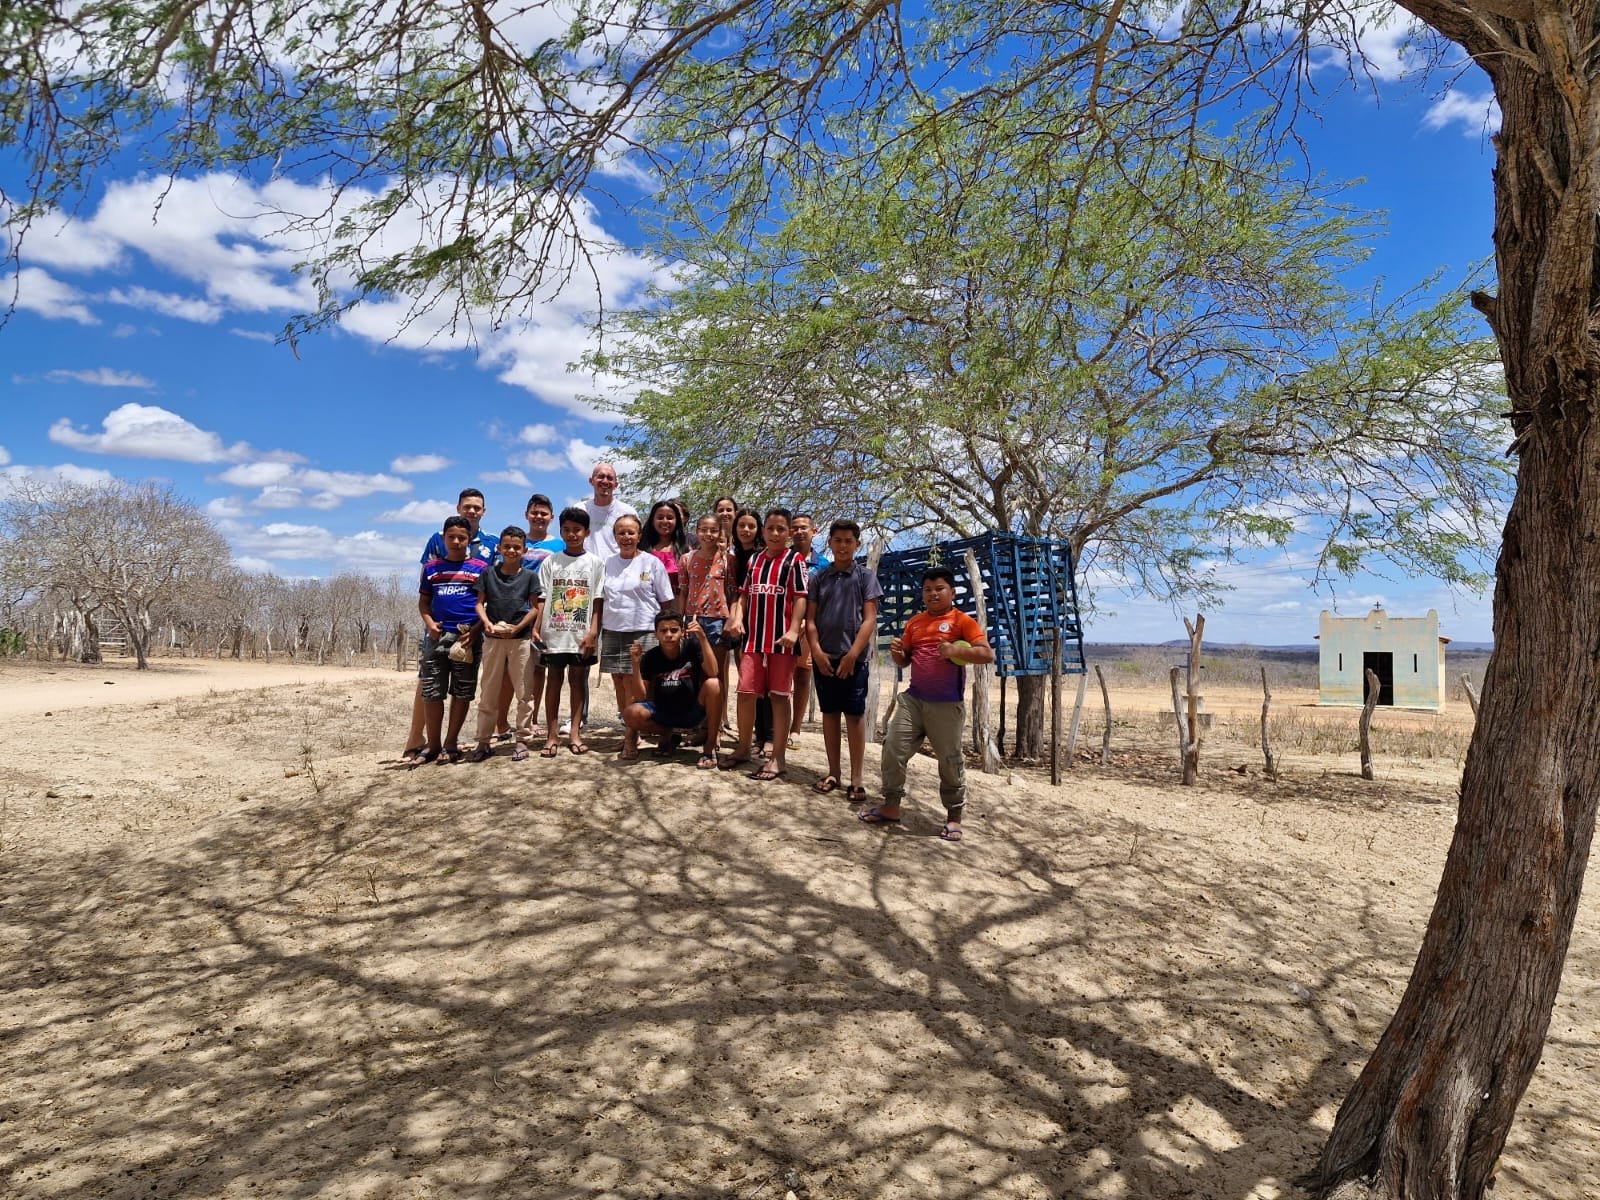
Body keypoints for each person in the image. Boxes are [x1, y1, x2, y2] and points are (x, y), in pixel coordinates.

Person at [860, 566, 994, 842]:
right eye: (928, 590)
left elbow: (986, 654)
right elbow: (905, 661)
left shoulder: (962, 622)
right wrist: (898, 654)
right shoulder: (915, 623)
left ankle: (954, 817)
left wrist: (955, 650)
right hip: (913, 700)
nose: (933, 594)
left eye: (939, 589)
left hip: (946, 705)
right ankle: (891, 805)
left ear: (952, 592)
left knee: (949, 760)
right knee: (893, 748)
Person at [402, 488, 498, 759]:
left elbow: (486, 601)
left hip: (467, 635)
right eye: (451, 537)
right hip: (436, 634)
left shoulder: (481, 566)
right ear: (442, 539)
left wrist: (476, 630)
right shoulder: (433, 567)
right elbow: (423, 600)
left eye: (462, 538)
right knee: (432, 689)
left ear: (469, 540)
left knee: (462, 688)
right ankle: (431, 743)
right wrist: (429, 624)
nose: (456, 541)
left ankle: (451, 743)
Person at [722, 507, 808, 781]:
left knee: (780, 696)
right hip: (753, 640)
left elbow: (801, 598)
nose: (775, 533)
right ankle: (744, 747)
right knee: (746, 692)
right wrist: (738, 619)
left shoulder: (794, 561)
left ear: (789, 532)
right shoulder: (755, 561)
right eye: (770, 528)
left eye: (781, 529)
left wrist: (794, 630)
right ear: (764, 530)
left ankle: (778, 758)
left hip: (782, 641)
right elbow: (745, 594)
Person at [805, 519, 881, 801]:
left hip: (854, 659)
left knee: (855, 715)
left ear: (857, 544)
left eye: (849, 541)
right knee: (829, 714)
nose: (843, 546)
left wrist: (852, 654)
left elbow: (869, 619)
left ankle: (857, 778)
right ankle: (833, 772)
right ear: (830, 543)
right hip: (825, 657)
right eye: (838, 540)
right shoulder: (818, 579)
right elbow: (810, 620)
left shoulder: (865, 578)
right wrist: (816, 651)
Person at [599, 513, 675, 759]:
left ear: (639, 535)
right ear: (615, 537)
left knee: (637, 684)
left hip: (643, 629)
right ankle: (629, 730)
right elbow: (601, 599)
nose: (626, 537)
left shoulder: (652, 563)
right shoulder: (607, 563)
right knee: (619, 682)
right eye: (621, 532)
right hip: (613, 629)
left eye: (631, 532)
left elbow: (666, 602)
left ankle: (632, 738)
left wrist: (667, 634)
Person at [466, 525, 544, 763]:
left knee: (524, 692)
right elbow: (480, 603)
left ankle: (522, 739)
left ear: (524, 550)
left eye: (516, 547)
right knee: (489, 690)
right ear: (499, 548)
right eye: (507, 546)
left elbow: (535, 607)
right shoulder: (489, 574)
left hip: (520, 640)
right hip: (493, 639)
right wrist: (487, 623)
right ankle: (483, 741)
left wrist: (519, 628)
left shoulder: (530, 577)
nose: (511, 550)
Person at [534, 507, 604, 755]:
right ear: (561, 531)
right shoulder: (550, 562)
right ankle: (552, 735)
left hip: (581, 634)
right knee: (553, 681)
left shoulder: (595, 563)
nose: (572, 534)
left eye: (577, 530)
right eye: (567, 530)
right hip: (553, 633)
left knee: (577, 681)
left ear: (586, 532)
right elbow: (541, 599)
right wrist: (536, 627)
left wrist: (593, 632)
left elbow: (597, 599)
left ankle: (575, 732)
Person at [622, 610, 723, 768]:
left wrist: (703, 638)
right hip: (664, 713)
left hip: (692, 712)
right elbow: (640, 697)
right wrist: (635, 665)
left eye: (674, 630)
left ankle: (709, 747)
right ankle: (667, 733)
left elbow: (713, 672)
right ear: (656, 634)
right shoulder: (651, 657)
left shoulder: (692, 646)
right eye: (663, 631)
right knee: (630, 713)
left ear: (682, 632)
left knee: (714, 684)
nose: (668, 635)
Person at [500, 493, 563, 737]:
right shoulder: (514, 541)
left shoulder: (557, 545)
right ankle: (502, 722)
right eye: (534, 512)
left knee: (538, 669)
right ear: (526, 515)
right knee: (508, 670)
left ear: (551, 518)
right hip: (510, 611)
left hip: (543, 612)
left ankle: (532, 720)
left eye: (543, 513)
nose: (538, 517)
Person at [680, 511, 735, 742]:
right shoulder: (686, 559)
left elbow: (732, 592)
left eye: (714, 530)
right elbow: (683, 591)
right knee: (694, 674)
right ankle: (698, 725)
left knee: (716, 674)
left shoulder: (728, 560)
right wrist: (682, 619)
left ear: (720, 533)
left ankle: (716, 727)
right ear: (697, 531)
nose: (708, 534)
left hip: (717, 620)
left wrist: (731, 619)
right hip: (693, 619)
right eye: (704, 529)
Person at [728, 506, 773, 754]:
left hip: (763, 625)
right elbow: (737, 592)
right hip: (740, 624)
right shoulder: (733, 556)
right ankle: (756, 735)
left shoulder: (763, 555)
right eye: (741, 525)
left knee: (765, 683)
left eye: (751, 526)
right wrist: (736, 618)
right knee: (749, 683)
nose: (746, 530)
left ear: (759, 530)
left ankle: (769, 736)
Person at [788, 513, 827, 743]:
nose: (799, 531)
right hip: (781, 626)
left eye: (804, 527)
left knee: (802, 677)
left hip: (808, 628)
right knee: (778, 678)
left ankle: (796, 728)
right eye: (795, 528)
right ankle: (774, 728)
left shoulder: (823, 566)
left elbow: (826, 600)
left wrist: (806, 622)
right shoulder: (782, 559)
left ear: (814, 531)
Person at [582, 461, 637, 559]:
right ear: (591, 481)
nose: (605, 481)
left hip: (618, 571)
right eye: (601, 476)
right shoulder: (580, 510)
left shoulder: (628, 512)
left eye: (610, 478)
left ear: (616, 484)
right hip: (586, 569)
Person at [640, 499, 688, 606]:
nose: (665, 521)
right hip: (647, 607)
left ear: (677, 521)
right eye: (660, 517)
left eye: (670, 518)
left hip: (677, 607)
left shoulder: (685, 549)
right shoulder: (642, 549)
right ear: (652, 520)